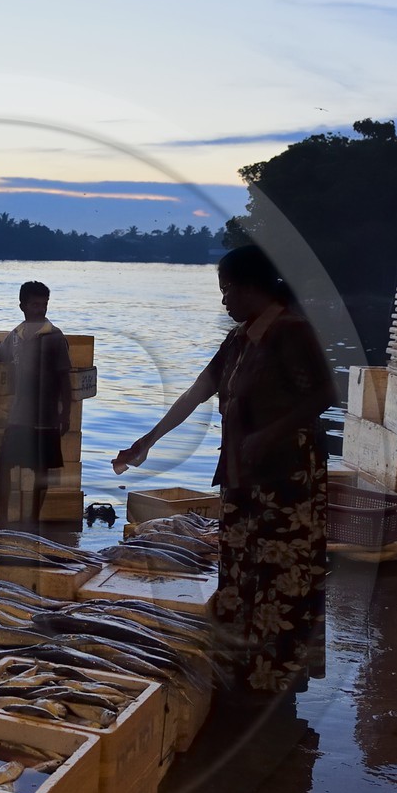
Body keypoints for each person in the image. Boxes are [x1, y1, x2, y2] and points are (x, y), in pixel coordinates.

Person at [113, 245, 334, 698]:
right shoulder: (240, 338)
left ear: (253, 287)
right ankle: (243, 668)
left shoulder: (291, 332)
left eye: (228, 289)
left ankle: (277, 678)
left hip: (285, 484)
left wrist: (269, 434)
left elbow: (324, 394)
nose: (224, 300)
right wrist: (146, 442)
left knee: (281, 578)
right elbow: (198, 391)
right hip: (241, 477)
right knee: (239, 572)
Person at [0, 280, 72, 526]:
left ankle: (33, 519)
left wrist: (66, 415)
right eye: (34, 305)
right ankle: (2, 518)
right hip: (20, 414)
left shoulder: (54, 337)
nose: (40, 309)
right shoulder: (17, 335)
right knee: (4, 464)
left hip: (47, 416)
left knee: (41, 470)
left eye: (44, 304)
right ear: (23, 306)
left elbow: (65, 378)